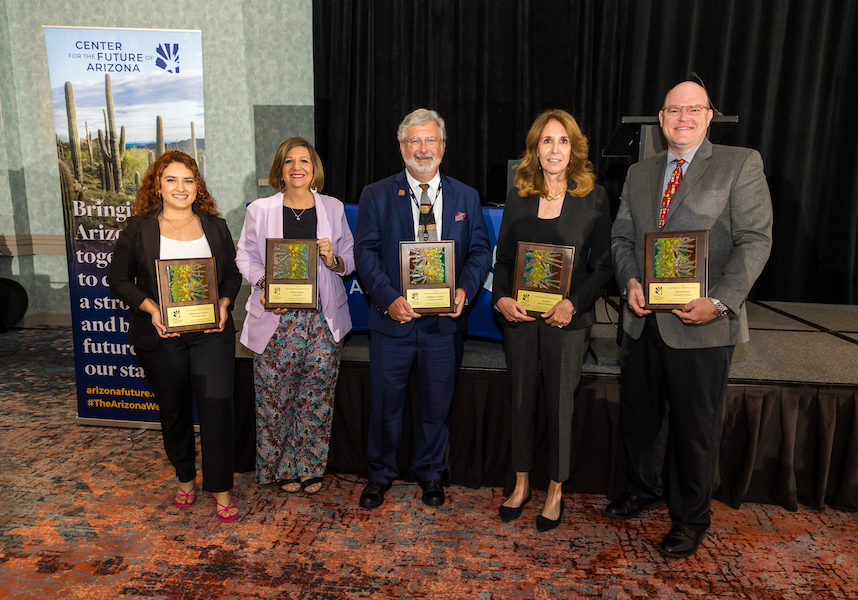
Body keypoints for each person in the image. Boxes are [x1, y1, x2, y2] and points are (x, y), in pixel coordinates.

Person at [608, 81, 773, 557]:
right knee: (641, 418)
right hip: (642, 320)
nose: (683, 118)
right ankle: (643, 488)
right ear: (661, 119)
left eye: (693, 109)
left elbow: (756, 241)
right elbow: (622, 238)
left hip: (702, 324)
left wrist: (720, 302)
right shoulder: (640, 173)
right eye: (674, 110)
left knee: (693, 427)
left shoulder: (739, 163)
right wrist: (630, 283)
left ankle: (690, 517)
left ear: (709, 115)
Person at [354, 108, 491, 509]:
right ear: (401, 148)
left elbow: (481, 249)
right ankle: (379, 475)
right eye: (414, 140)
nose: (423, 148)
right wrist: (387, 299)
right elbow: (364, 253)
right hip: (393, 322)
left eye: (430, 140)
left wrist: (464, 290)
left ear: (443, 147)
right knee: (385, 405)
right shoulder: (376, 194)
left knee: (436, 404)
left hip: (444, 327)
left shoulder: (467, 196)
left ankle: (430, 473)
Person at [492, 109, 613, 531]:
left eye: (563, 141)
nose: (555, 149)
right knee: (522, 400)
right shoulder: (519, 194)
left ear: (573, 148)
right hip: (521, 319)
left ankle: (556, 489)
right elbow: (505, 259)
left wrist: (574, 304)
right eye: (547, 141)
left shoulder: (593, 196)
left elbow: (604, 268)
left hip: (567, 323)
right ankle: (522, 482)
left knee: (561, 405)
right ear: (535, 150)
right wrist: (502, 298)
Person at [108, 150, 242, 522]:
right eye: (171, 179)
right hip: (161, 336)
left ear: (197, 186)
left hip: (211, 334)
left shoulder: (215, 226)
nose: (180, 187)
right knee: (175, 410)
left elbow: (232, 274)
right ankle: (185, 476)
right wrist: (151, 309)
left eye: (188, 180)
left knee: (217, 409)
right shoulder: (137, 228)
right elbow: (117, 279)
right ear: (157, 185)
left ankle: (220, 488)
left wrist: (225, 303)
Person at [235, 137, 354, 495]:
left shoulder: (332, 207)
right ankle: (279, 466)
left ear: (314, 168)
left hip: (322, 318)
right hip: (276, 316)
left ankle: (309, 467)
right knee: (275, 397)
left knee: (316, 396)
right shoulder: (260, 209)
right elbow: (245, 257)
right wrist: (264, 282)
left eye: (304, 160)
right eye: (289, 161)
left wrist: (333, 258)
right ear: (280, 170)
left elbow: (349, 259)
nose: (297, 167)